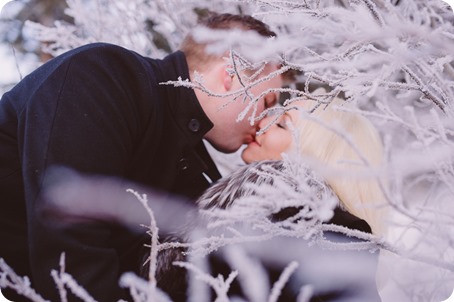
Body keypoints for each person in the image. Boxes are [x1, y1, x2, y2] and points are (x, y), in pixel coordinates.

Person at [0, 13, 284, 301]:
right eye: (268, 101)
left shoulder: (188, 161)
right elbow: (71, 259)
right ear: (231, 72)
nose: (265, 121)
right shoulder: (105, 76)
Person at [241, 88, 387, 235]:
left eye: (281, 124)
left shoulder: (330, 234)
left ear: (314, 154)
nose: (262, 123)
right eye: (274, 115)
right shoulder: (253, 207)